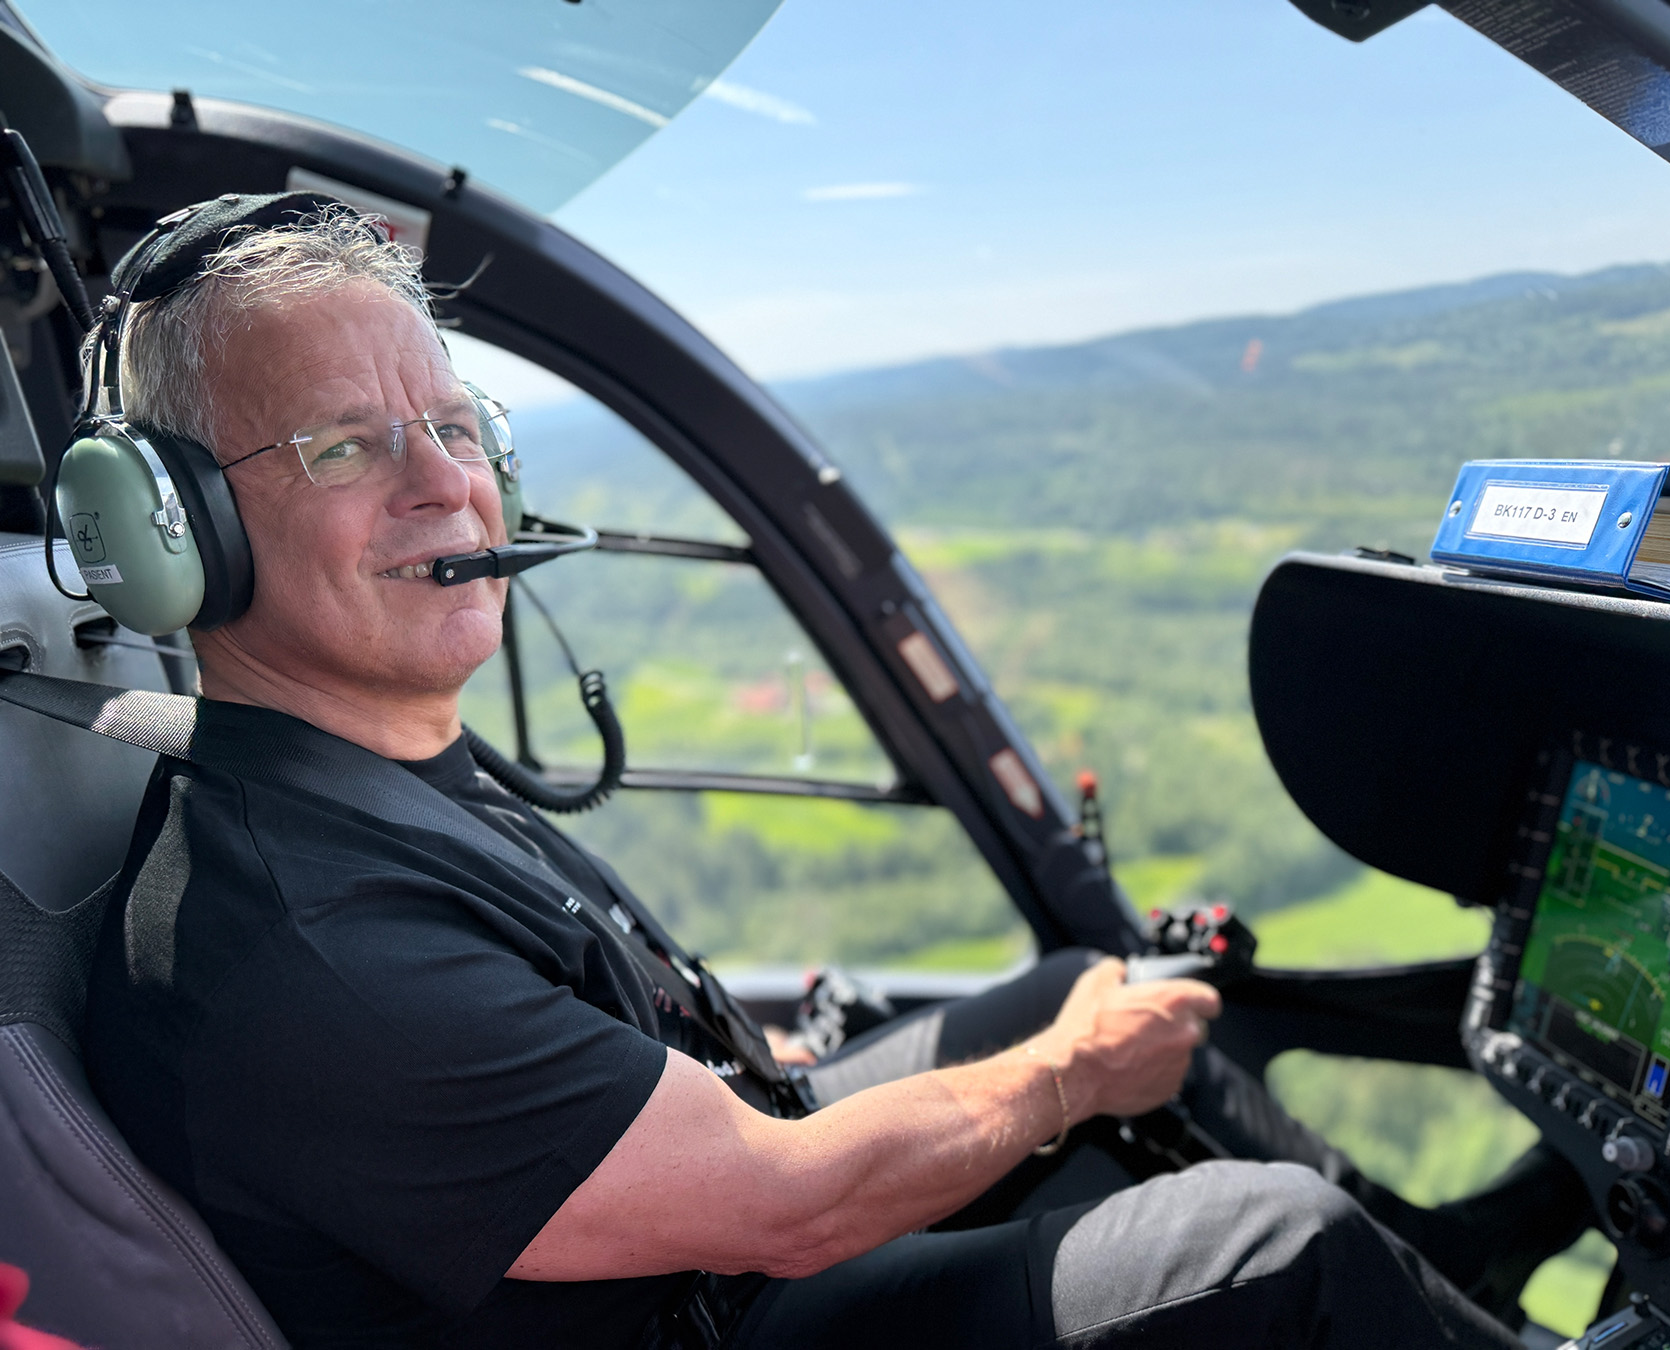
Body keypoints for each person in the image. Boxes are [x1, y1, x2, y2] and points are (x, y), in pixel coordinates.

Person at [80, 196, 1559, 1350]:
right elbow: (789, 1206)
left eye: (456, 427)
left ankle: (1452, 1276)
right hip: (723, 1305)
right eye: (344, 447)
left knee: (1070, 982)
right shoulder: (306, 943)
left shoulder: (361, 775)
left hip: (699, 1240)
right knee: (1273, 1243)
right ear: (178, 531)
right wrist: (1068, 1080)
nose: (446, 484)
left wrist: (1061, 1046)